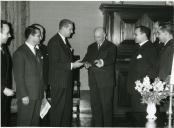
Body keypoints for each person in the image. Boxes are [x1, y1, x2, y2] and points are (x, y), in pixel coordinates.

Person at [48, 19, 83, 126]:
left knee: (66, 110)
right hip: (59, 82)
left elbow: (63, 60)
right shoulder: (54, 42)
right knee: (58, 111)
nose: (72, 31)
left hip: (65, 81)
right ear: (63, 28)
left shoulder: (63, 40)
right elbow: (55, 64)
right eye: (70, 29)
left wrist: (73, 62)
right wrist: (72, 65)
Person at [83, 27, 116, 126]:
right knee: (95, 106)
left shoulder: (111, 46)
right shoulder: (91, 46)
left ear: (104, 35)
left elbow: (111, 59)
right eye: (95, 37)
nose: (97, 39)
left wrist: (102, 62)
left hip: (106, 82)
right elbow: (86, 58)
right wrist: (86, 63)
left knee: (106, 107)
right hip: (93, 81)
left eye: (99, 37)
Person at [13, 25, 45, 126]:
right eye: (39, 35)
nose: (41, 38)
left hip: (38, 94)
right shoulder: (20, 52)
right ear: (31, 36)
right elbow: (19, 76)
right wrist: (23, 95)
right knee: (25, 122)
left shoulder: (38, 51)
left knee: (35, 122)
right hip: (27, 96)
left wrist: (42, 91)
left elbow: (40, 73)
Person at [127, 26, 158, 126]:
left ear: (144, 34)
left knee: (142, 119)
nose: (134, 36)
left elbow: (153, 70)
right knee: (137, 118)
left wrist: (146, 89)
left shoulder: (150, 48)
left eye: (136, 34)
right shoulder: (138, 47)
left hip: (143, 92)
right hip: (135, 90)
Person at [1, 20, 15, 126]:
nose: (10, 35)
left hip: (5, 94)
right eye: (7, 33)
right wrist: (3, 88)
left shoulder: (4, 47)